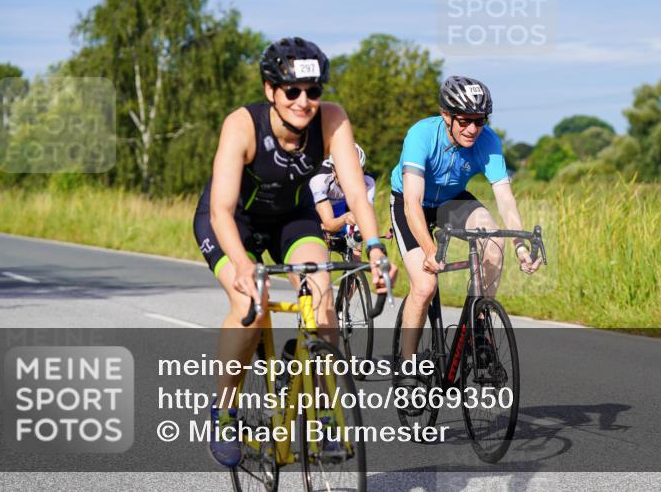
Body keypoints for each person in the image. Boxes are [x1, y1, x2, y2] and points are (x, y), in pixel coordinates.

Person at [192, 37, 397, 466]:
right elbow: (221, 210)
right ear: (270, 90)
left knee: (321, 299)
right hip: (235, 223)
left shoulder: (332, 121)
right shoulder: (243, 125)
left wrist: (375, 248)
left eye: (314, 91)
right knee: (252, 302)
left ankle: (322, 409)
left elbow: (358, 195)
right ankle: (225, 410)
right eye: (292, 92)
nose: (305, 102)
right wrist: (245, 266)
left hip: (293, 218)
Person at [389, 75, 541, 379]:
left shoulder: (488, 140)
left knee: (494, 240)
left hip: (451, 199)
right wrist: (431, 250)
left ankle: (479, 329)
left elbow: (505, 199)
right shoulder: (421, 135)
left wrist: (520, 246)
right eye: (465, 120)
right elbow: (412, 202)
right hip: (410, 201)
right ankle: (406, 364)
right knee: (425, 285)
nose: (473, 128)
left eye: (480, 120)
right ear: (446, 115)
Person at [309, 143, 376, 260]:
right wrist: (345, 219)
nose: (351, 178)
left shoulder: (368, 182)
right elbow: (328, 224)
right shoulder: (320, 179)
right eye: (345, 173)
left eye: (357, 172)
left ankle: (353, 273)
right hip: (316, 209)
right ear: (334, 170)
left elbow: (366, 216)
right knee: (320, 247)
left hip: (342, 207)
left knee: (357, 236)